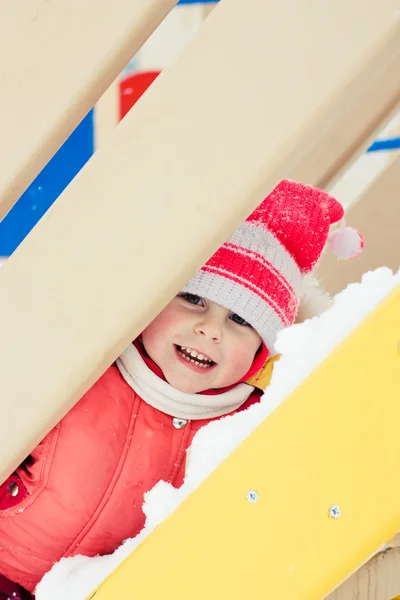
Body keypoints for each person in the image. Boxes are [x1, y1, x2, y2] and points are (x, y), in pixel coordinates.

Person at [0, 180, 363, 598]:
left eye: (241, 321)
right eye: (193, 299)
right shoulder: (87, 367)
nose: (209, 330)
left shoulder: (253, 422)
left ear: (262, 351)